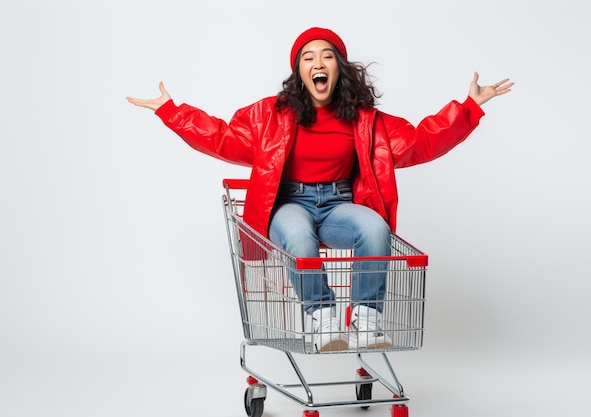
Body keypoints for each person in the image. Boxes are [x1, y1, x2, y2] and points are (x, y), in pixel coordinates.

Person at [127, 27, 513, 352]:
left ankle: (365, 320)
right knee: (296, 233)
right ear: (299, 70)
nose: (318, 63)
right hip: (289, 202)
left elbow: (417, 142)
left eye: (327, 56)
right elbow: (224, 138)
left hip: (336, 204)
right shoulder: (270, 115)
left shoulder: (365, 119)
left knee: (375, 226)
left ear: (339, 68)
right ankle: (323, 318)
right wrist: (171, 110)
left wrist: (468, 108)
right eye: (308, 57)